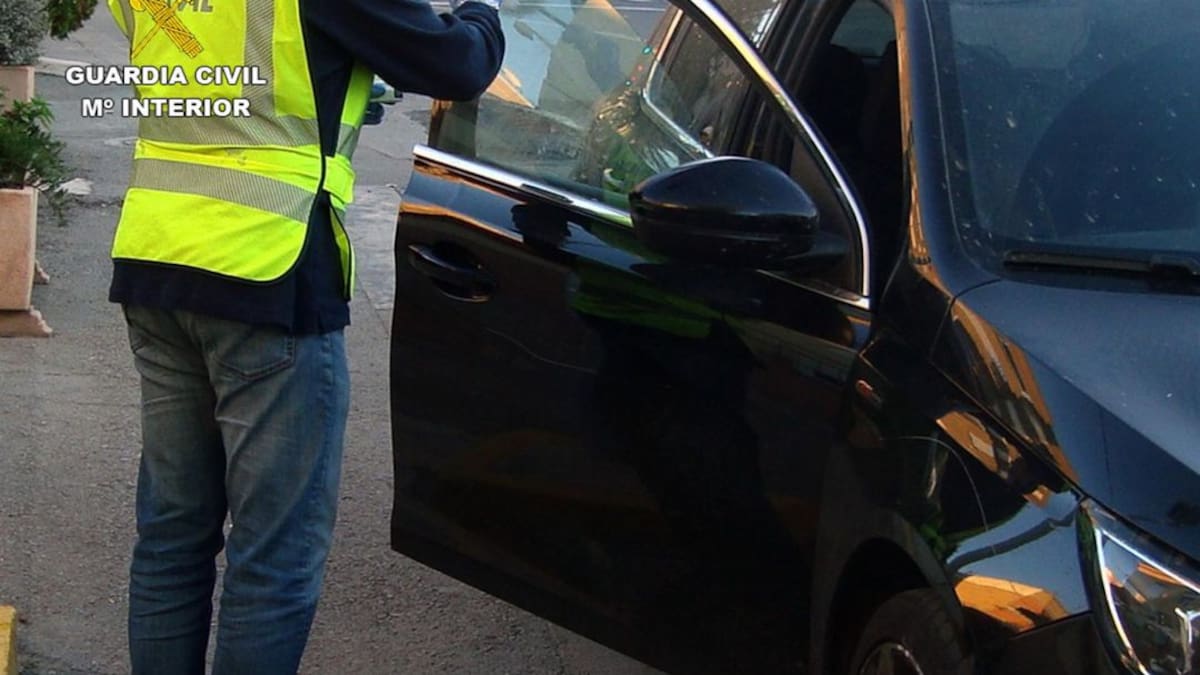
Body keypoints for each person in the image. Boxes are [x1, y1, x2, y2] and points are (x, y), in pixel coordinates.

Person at [104, 0, 504, 671]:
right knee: (273, 560)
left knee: (173, 536)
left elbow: (204, 49)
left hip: (157, 252)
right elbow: (456, 64)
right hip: (267, 266)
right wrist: (484, 10)